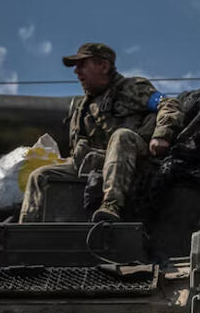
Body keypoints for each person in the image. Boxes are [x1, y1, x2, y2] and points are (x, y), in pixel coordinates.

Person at [19, 43, 184, 223]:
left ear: (104, 66)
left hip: (132, 158)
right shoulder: (83, 107)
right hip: (94, 162)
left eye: (82, 65)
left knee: (121, 136)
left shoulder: (131, 88)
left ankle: (111, 206)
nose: (77, 72)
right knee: (40, 176)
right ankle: (24, 229)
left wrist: (161, 135)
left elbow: (168, 104)